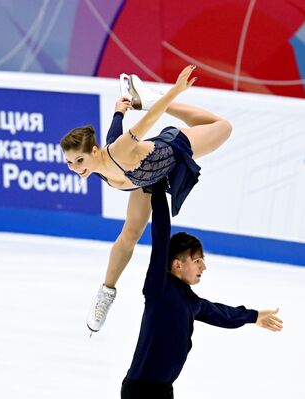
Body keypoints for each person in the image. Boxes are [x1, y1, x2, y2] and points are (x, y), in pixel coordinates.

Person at [60, 65, 233, 332]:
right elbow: (113, 131)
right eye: (70, 162)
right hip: (146, 178)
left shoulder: (117, 151)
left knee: (223, 127)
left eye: (79, 160)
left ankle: (152, 96)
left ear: (94, 152)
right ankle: (105, 294)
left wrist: (174, 91)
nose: (75, 167)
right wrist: (119, 110)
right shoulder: (98, 162)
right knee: (129, 234)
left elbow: (150, 120)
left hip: (173, 149)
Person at [120, 181, 283, 399]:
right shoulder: (158, 288)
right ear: (177, 264)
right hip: (140, 391)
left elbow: (220, 314)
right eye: (197, 261)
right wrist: (157, 187)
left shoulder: (190, 301)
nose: (203, 267)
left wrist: (253, 316)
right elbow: (161, 234)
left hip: (163, 391)